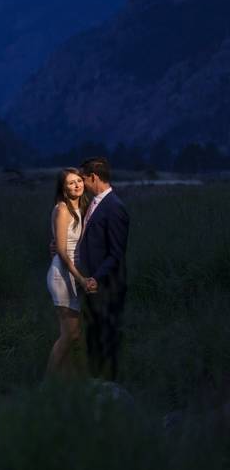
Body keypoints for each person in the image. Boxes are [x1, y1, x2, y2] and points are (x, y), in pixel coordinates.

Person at [76, 156, 130, 381]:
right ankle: (94, 386)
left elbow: (116, 253)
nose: (81, 185)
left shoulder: (115, 208)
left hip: (107, 286)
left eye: (83, 179)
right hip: (91, 284)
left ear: (93, 177)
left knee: (107, 338)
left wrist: (96, 278)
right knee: (93, 337)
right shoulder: (94, 204)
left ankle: (109, 389)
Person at [46, 168, 89, 377]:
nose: (77, 185)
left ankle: (67, 382)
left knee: (74, 333)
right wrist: (80, 278)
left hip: (73, 272)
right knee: (69, 334)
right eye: (71, 183)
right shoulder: (62, 209)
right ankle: (47, 385)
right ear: (63, 188)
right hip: (62, 274)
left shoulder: (81, 207)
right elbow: (62, 251)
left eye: (79, 180)